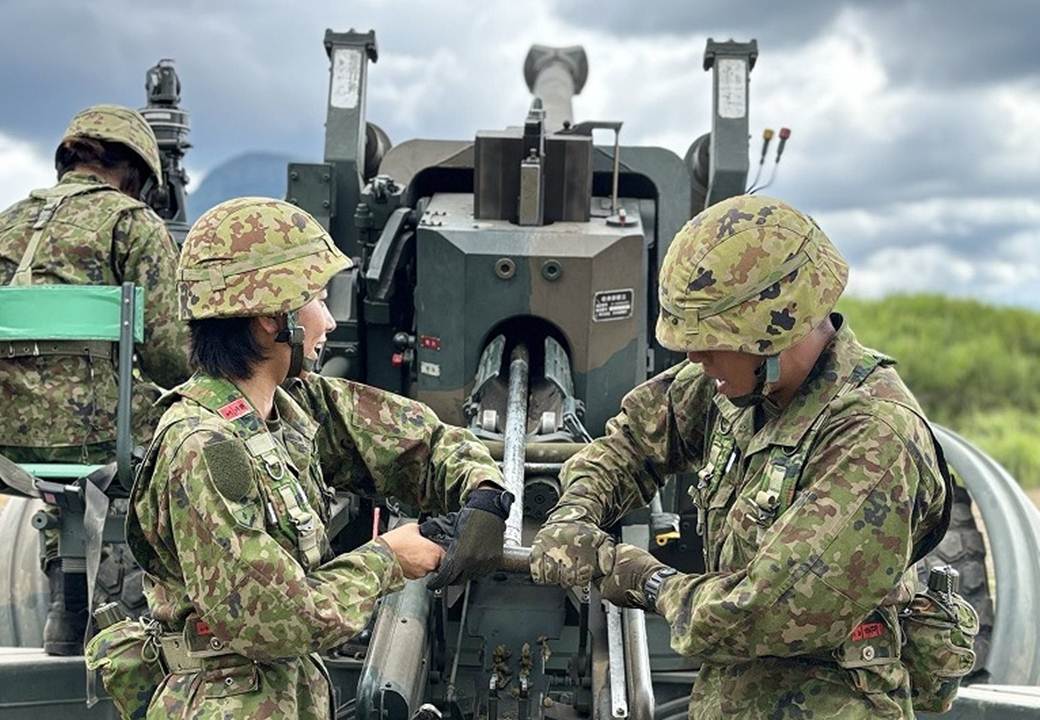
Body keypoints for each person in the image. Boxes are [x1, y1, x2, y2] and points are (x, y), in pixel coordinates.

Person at [530, 195, 951, 719]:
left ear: (775, 333)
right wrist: (575, 513)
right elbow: (633, 442)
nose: (694, 357)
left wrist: (639, 577)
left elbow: (764, 611)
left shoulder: (873, 438)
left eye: (710, 341)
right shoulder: (737, 382)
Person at [122, 196, 509, 719]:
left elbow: (421, 441)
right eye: (318, 300)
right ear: (270, 316)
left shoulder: (289, 405)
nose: (328, 321)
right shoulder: (203, 448)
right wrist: (387, 559)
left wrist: (484, 494)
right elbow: (268, 618)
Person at [0, 104, 191, 655]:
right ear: (136, 174)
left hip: (8, 445)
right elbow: (169, 356)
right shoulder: (132, 224)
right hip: (102, 438)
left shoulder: (7, 223)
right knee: (194, 426)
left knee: (61, 470)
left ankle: (69, 602)